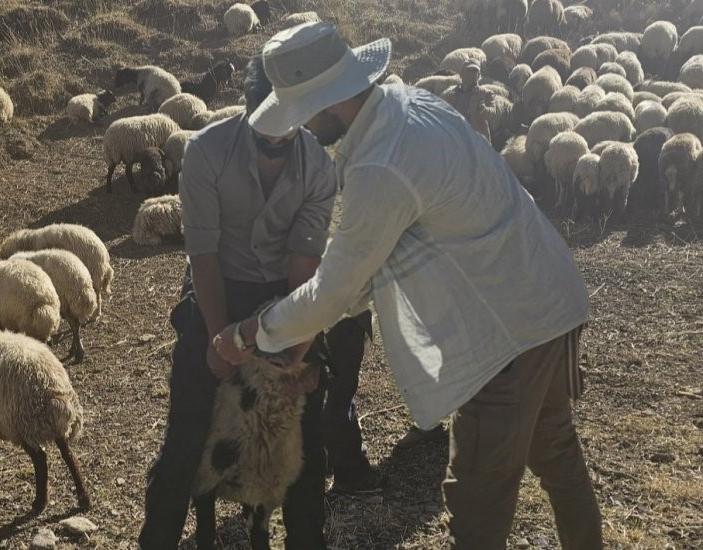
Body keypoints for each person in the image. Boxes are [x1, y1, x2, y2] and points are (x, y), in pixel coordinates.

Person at [213, 22, 603, 550]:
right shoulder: (410, 102)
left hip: (505, 334)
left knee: (478, 501)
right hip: (546, 293)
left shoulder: (379, 163)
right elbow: (367, 267)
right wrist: (300, 333)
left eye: (302, 111)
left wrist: (250, 333)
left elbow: (335, 287)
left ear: (325, 103)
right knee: (555, 449)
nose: (301, 127)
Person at [138, 55, 376, 550]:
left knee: (304, 443)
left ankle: (308, 539)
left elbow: (304, 260)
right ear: (250, 110)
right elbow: (202, 252)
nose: (275, 141)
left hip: (283, 294)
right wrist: (216, 336)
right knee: (186, 436)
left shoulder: (317, 165)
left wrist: (294, 349)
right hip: (217, 285)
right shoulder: (205, 152)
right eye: (266, 125)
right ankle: (157, 539)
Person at [440, 59, 495, 142]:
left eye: (475, 71)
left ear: (479, 75)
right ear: (461, 73)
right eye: (469, 71)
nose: (472, 74)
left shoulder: (486, 94)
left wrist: (483, 109)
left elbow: (492, 114)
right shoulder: (451, 94)